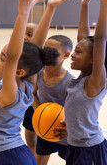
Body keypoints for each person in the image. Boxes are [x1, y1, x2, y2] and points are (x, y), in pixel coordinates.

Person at [0, 0, 60, 165]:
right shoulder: (28, 84)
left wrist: (23, 14)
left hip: (8, 157)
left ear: (17, 70)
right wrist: (50, 9)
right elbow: (36, 48)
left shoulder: (11, 90)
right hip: (18, 154)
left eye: (2, 57)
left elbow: (14, 56)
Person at [63, 0, 107, 164]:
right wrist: (84, 4)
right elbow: (84, 37)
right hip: (74, 146)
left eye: (78, 52)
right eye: (74, 50)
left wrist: (104, 3)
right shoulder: (81, 78)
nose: (73, 54)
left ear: (93, 59)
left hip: (90, 150)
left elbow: (99, 39)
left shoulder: (94, 82)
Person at [33, 35, 74, 165]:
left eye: (52, 51)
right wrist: (39, 112)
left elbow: (77, 110)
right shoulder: (39, 73)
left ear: (66, 55)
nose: (46, 54)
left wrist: (70, 127)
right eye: (45, 50)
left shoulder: (70, 82)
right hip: (44, 128)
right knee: (39, 161)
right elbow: (34, 94)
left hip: (64, 133)